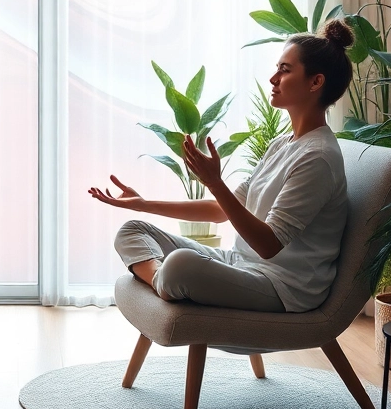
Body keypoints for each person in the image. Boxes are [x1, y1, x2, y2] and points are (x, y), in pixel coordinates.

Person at [88, 20, 356, 313]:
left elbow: (268, 245)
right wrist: (142, 204)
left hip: (282, 285)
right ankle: (162, 281)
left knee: (181, 265)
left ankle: (166, 279)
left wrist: (215, 181)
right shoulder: (283, 144)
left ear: (316, 82)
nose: (273, 78)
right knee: (132, 230)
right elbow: (219, 211)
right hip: (239, 265)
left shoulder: (317, 157)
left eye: (284, 70)